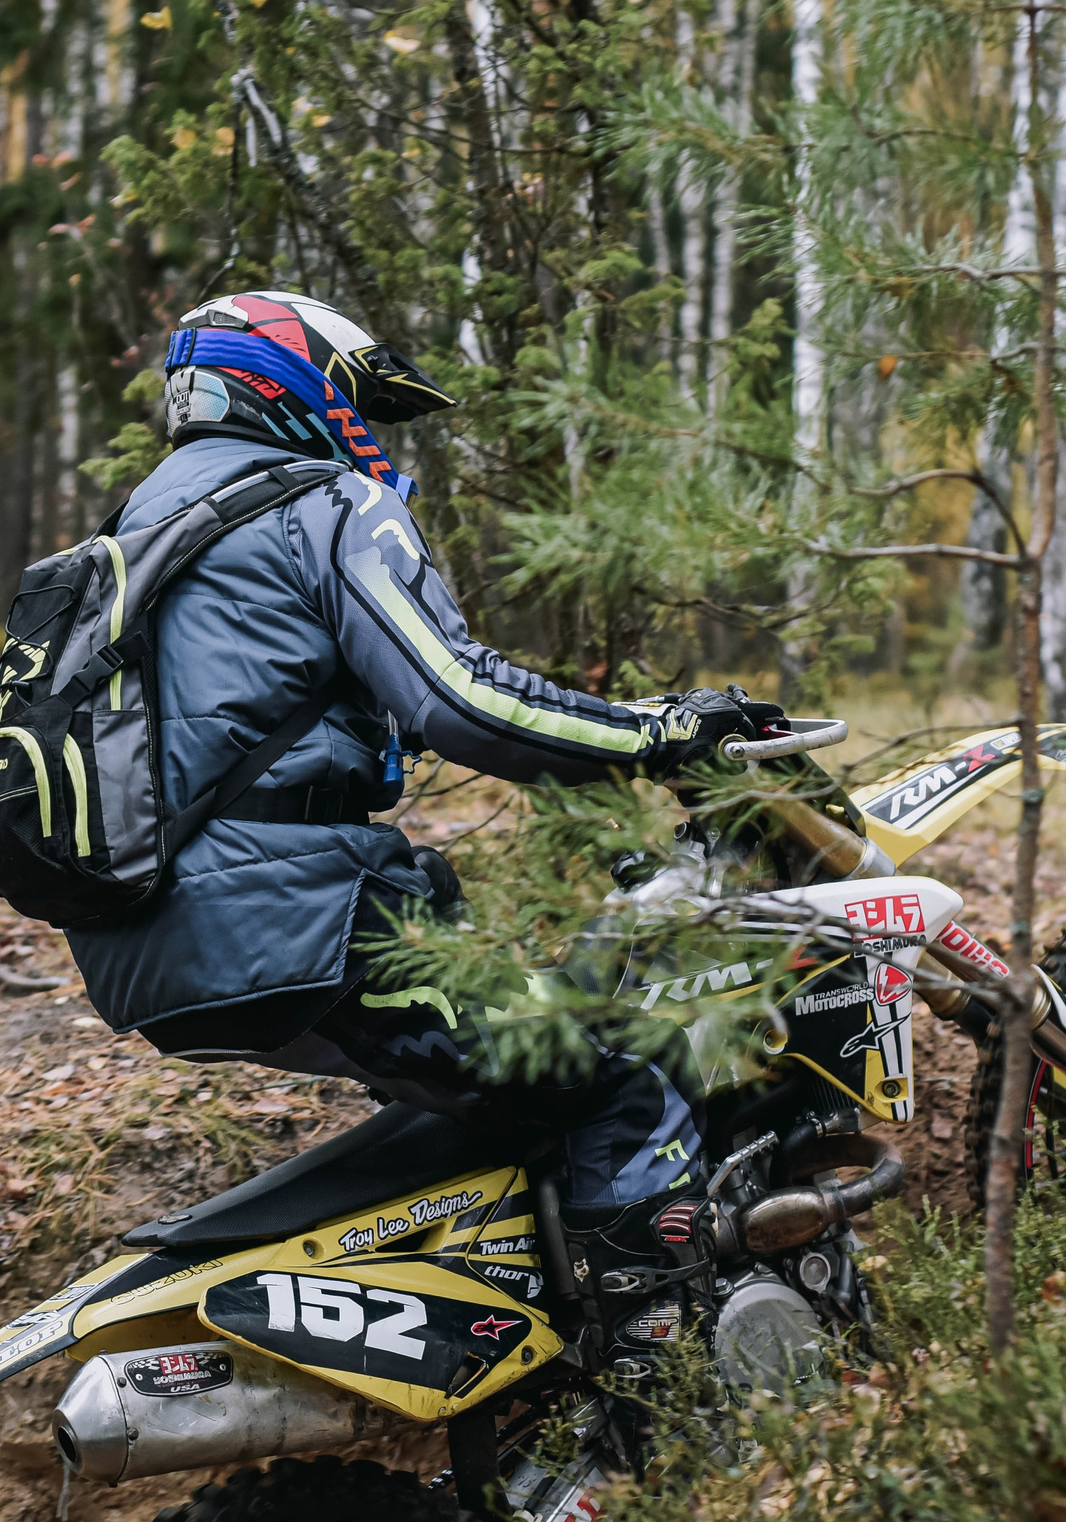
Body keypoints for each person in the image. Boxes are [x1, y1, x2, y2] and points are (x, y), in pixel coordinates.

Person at [64, 290, 768, 1331]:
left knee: (510, 1091)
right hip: (286, 923)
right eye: (364, 406)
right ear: (293, 384)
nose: (374, 440)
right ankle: (660, 1395)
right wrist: (654, 734)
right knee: (615, 1072)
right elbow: (460, 697)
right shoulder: (318, 506)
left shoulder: (129, 539)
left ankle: (510, 1362)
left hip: (142, 948)